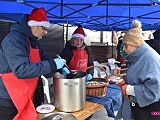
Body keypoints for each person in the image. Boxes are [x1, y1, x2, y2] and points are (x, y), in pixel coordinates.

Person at [0, 7, 70, 120]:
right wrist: (53, 65)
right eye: (44, 28)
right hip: (9, 98)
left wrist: (59, 67)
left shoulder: (34, 41)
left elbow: (44, 58)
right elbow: (21, 70)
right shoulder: (13, 40)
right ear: (33, 25)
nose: (45, 32)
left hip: (27, 93)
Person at [115, 20, 160, 120]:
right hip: (133, 108)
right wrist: (121, 74)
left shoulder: (150, 59)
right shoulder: (135, 56)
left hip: (144, 112)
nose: (124, 50)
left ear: (134, 44)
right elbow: (129, 69)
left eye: (126, 46)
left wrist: (128, 89)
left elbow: (154, 91)